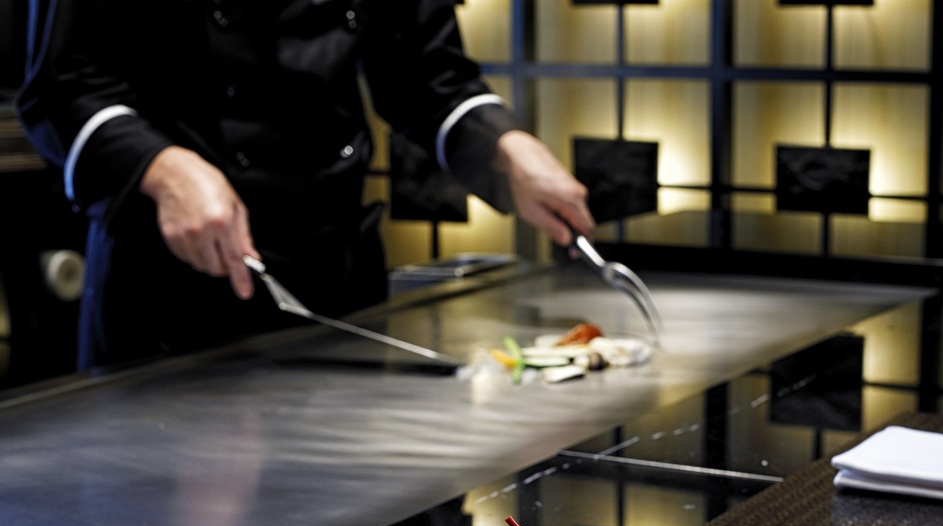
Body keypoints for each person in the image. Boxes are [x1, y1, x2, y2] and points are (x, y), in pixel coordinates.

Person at [17, 0, 595, 370]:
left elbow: (425, 71)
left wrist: (506, 146)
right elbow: (59, 88)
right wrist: (164, 168)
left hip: (336, 278)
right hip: (173, 294)